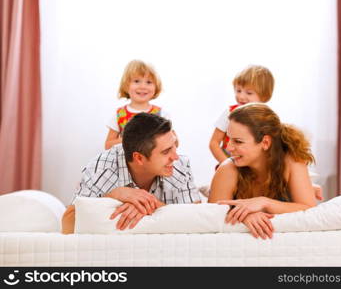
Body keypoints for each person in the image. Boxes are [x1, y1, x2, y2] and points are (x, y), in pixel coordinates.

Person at [62, 113, 201, 234]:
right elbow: (67, 226)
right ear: (139, 158)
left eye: (174, 145)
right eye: (166, 152)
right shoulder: (102, 168)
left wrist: (151, 205)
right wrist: (113, 197)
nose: (175, 157)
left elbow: (196, 221)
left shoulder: (179, 164)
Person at [208, 103, 318, 240]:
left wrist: (264, 203)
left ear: (265, 142)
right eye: (229, 139)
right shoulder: (228, 169)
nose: (229, 148)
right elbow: (212, 215)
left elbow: (309, 209)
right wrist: (245, 215)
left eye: (238, 141)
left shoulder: (292, 162)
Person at [209, 65, 274, 165]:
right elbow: (214, 143)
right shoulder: (230, 113)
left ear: (264, 96)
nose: (241, 96)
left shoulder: (267, 117)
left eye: (249, 93)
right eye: (238, 90)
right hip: (232, 161)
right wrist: (227, 164)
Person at [105, 60, 170, 150]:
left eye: (148, 82)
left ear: (156, 87)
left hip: (154, 163)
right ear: (126, 85)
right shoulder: (120, 114)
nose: (143, 86)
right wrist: (131, 139)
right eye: (136, 81)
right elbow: (108, 145)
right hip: (126, 163)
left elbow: (174, 142)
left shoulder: (161, 114)